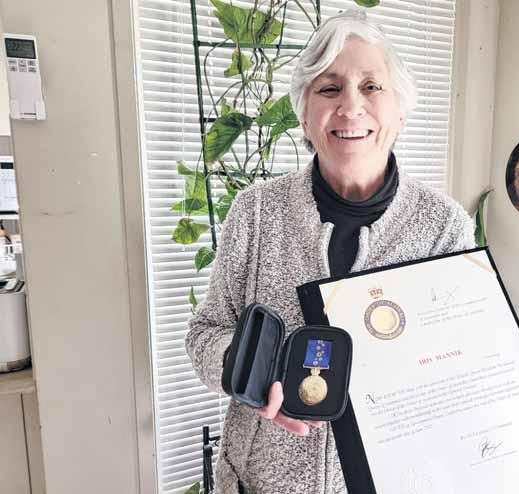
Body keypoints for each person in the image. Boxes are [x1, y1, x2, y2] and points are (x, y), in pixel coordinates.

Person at [185, 9, 475, 494]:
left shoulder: (444, 227)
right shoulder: (255, 212)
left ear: (400, 111)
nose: (350, 107)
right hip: (259, 483)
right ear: (304, 114)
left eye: (371, 86)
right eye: (329, 88)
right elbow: (205, 334)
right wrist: (253, 369)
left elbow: (460, 361)